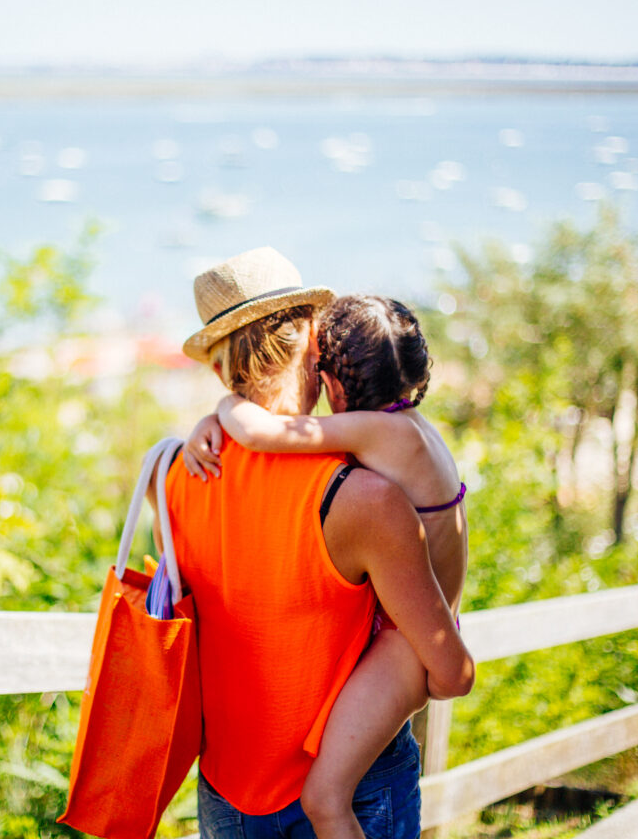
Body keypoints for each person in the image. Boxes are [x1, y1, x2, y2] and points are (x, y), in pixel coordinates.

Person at [148, 247, 473, 839]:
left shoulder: (171, 478)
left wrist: (215, 416)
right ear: (316, 349)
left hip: (226, 793)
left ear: (220, 371)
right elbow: (447, 669)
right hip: (357, 785)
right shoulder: (365, 495)